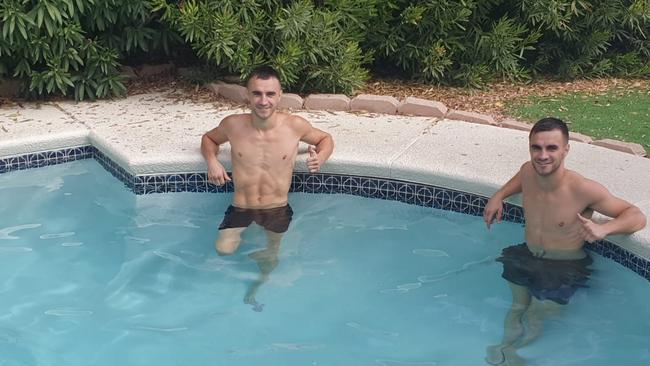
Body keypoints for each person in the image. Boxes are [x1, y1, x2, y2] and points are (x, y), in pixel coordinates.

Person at [482, 117, 646, 365]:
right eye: (536, 147)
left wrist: (605, 229)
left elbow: (636, 215)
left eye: (552, 148)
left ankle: (518, 355)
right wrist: (498, 195)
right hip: (526, 254)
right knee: (517, 307)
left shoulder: (583, 189)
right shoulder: (528, 171)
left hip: (564, 266)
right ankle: (502, 350)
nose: (542, 155)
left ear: (566, 149)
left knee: (536, 315)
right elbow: (519, 180)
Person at [201, 65, 334, 309]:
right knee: (224, 251)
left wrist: (321, 157)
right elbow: (209, 139)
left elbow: (325, 139)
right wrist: (212, 161)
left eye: (270, 94)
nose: (264, 101)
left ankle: (255, 286)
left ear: (280, 95)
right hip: (241, 206)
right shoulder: (233, 125)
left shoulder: (294, 126)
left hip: (277, 208)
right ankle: (250, 262)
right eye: (257, 94)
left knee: (271, 258)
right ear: (247, 95)